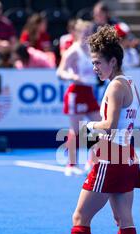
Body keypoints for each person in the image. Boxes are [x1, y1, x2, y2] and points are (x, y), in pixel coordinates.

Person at [42, 25, 140, 234]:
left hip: (111, 157)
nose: (95, 68)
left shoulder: (114, 88)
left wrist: (88, 129)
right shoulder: (129, 83)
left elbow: (108, 125)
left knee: (80, 217)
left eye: (98, 63)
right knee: (124, 219)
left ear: (113, 61)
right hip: (127, 155)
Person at [56, 20, 101, 176]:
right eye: (85, 33)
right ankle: (71, 164)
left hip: (89, 91)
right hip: (76, 92)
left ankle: (92, 161)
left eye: (90, 33)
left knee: (100, 126)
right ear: (77, 33)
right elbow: (60, 71)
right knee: (76, 130)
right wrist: (71, 75)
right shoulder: (73, 51)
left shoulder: (92, 50)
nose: (87, 36)